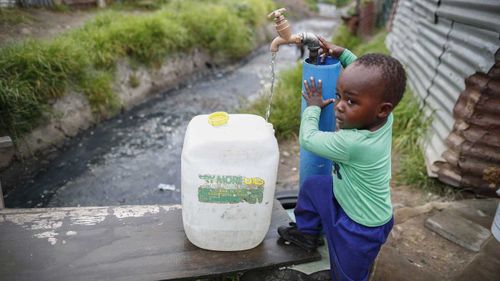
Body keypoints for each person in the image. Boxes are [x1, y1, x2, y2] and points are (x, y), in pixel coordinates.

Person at [277, 36, 407, 281]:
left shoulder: (353, 144)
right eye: (338, 95)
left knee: (346, 274)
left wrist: (313, 107)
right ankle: (306, 234)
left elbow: (309, 139)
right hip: (344, 197)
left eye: (350, 101)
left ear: (382, 109)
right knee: (315, 186)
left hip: (361, 228)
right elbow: (369, 84)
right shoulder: (384, 118)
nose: (338, 106)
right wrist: (344, 54)